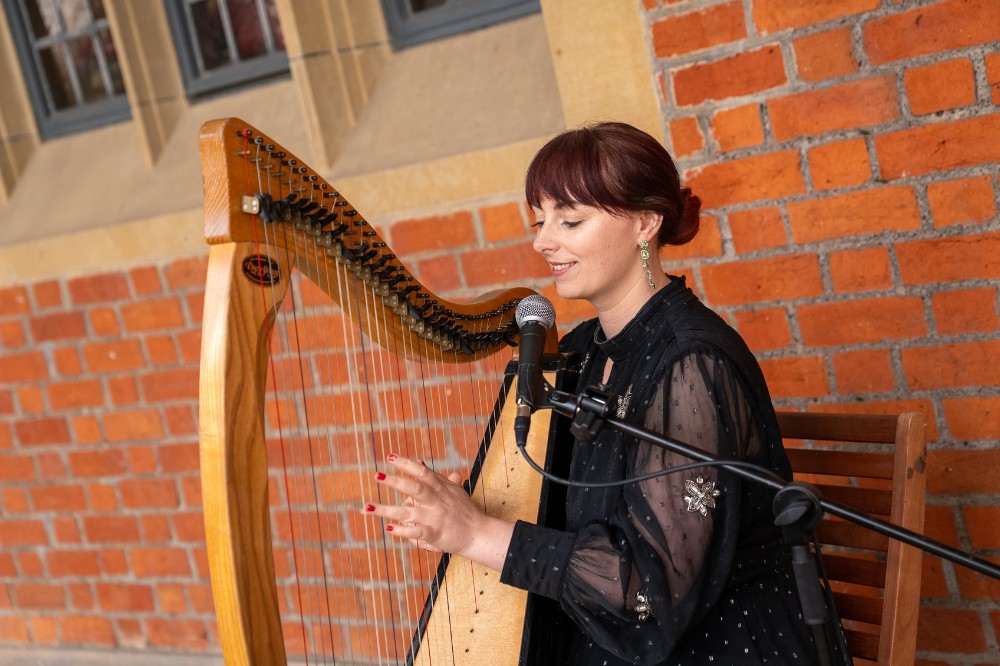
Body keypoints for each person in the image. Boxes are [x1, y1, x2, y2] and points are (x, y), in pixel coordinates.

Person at [366, 122, 828, 664]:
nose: (543, 241)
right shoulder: (584, 352)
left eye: (570, 220)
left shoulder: (692, 363)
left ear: (645, 223)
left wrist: (475, 534)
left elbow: (646, 595)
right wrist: (466, 510)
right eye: (541, 221)